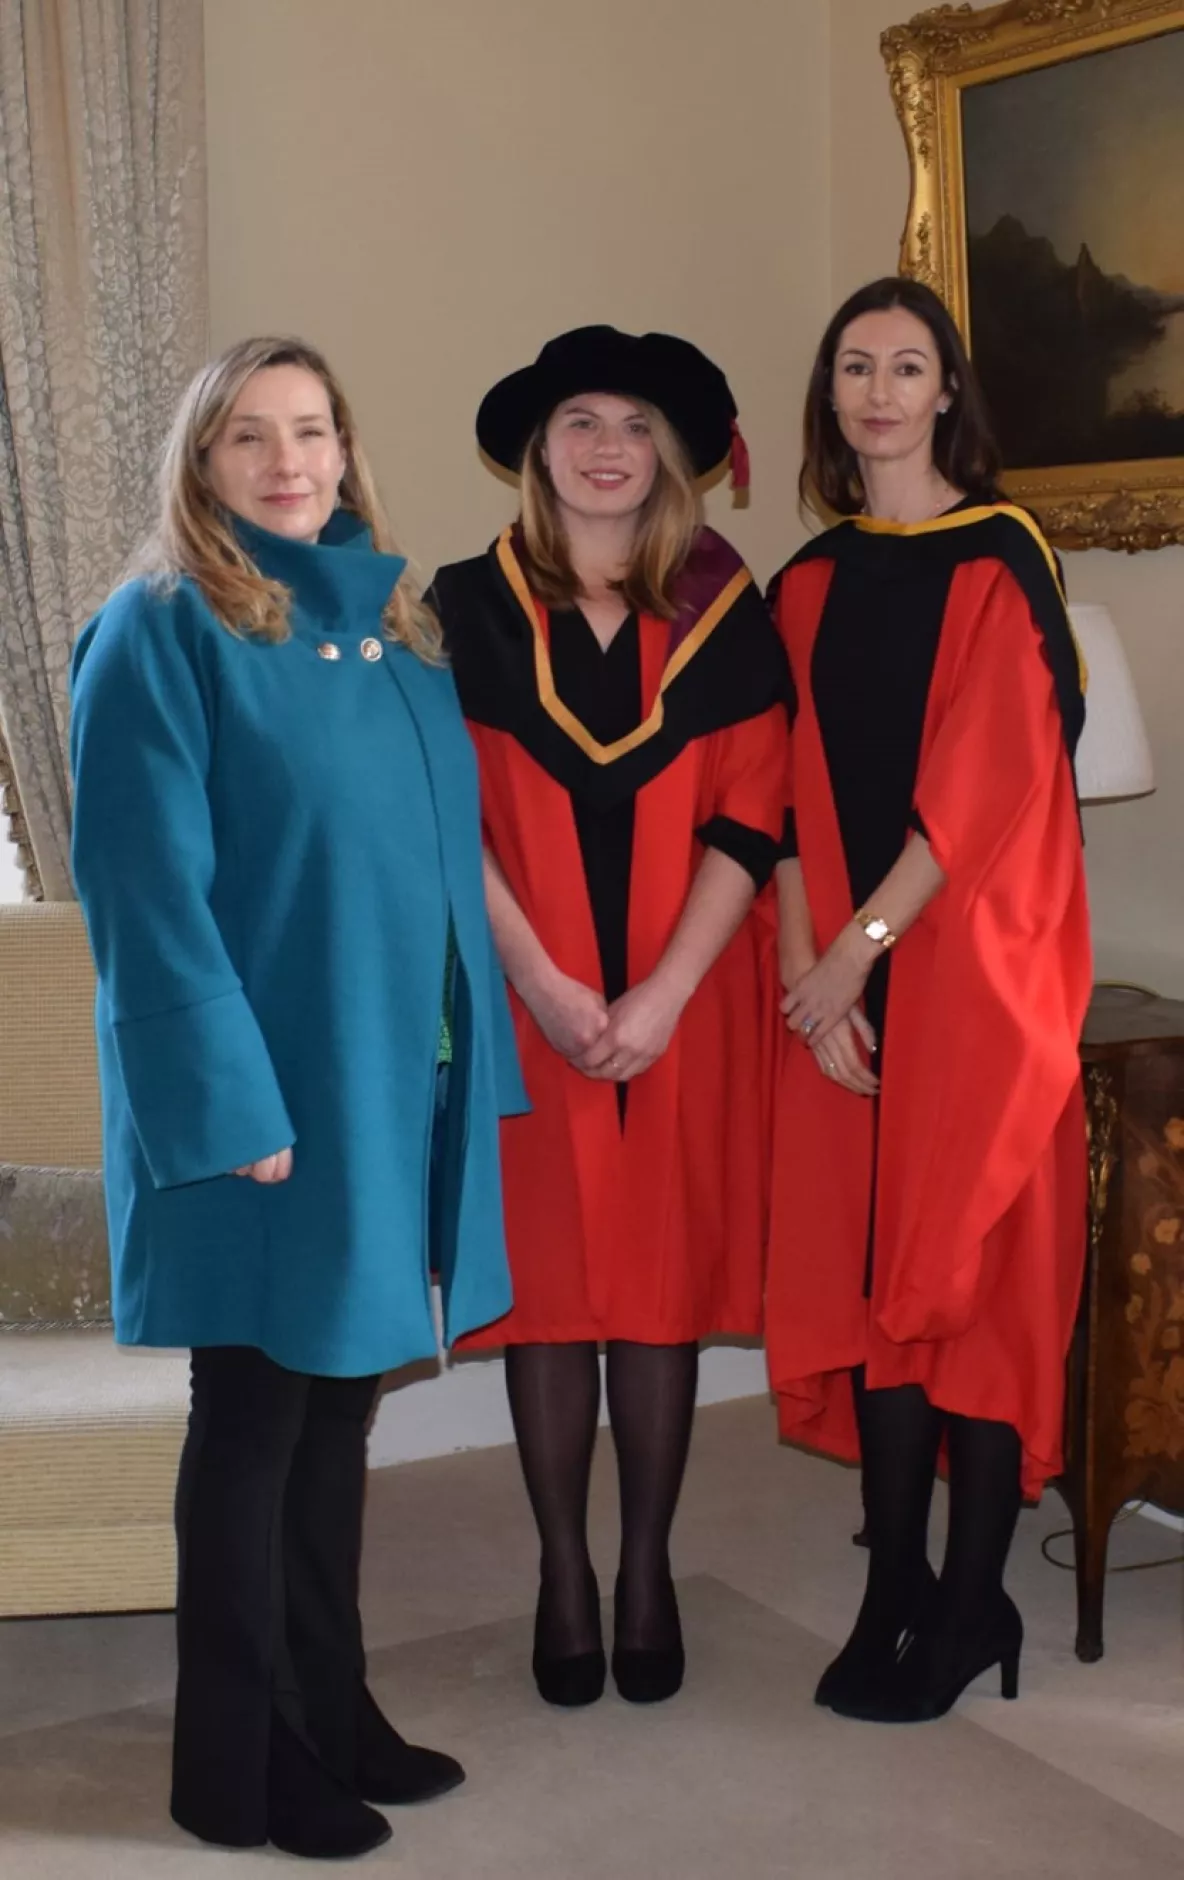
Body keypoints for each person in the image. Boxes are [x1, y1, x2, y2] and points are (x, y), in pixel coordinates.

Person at [70, 336, 527, 1858]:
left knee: (340, 1419)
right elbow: (148, 899)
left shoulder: (390, 634)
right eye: (250, 435)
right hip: (258, 1113)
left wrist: (471, 1071)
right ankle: (235, 1763)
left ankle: (333, 1710)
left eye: (314, 431)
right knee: (258, 1420)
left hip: (385, 1087)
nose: (289, 461)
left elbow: (437, 882)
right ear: (200, 463)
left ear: (347, 450)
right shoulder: (156, 633)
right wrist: (231, 1107)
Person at [431, 326, 790, 1708]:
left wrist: (663, 992)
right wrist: (547, 986)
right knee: (555, 1294)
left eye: (631, 424)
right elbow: (444, 816)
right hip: (530, 999)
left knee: (651, 1288)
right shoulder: (461, 607)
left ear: (668, 457)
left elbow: (755, 809)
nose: (602, 446)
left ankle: (643, 1567)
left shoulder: (721, 607)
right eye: (577, 419)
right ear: (538, 449)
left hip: (682, 1003)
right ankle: (560, 1571)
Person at [763, 277, 1091, 1724]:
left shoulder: (1006, 560)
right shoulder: (810, 584)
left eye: (909, 365)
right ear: (830, 399)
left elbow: (983, 792)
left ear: (948, 391)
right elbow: (764, 800)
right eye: (855, 368)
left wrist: (861, 951)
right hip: (845, 981)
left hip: (975, 972)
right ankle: (890, 1583)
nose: (882, 391)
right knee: (873, 1279)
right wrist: (804, 977)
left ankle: (971, 1603)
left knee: (964, 1282)